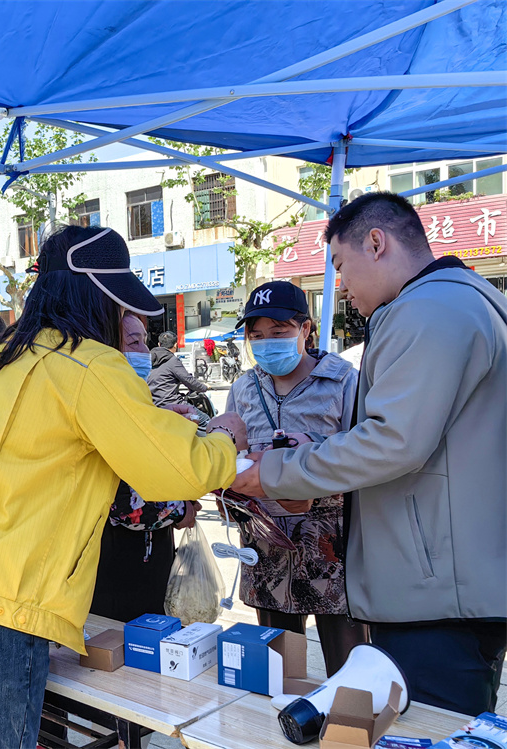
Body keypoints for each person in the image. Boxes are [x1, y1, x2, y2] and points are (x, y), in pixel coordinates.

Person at [0, 226, 246, 748]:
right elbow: (175, 469)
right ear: (101, 298)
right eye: (120, 307)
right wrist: (225, 437)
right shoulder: (90, 363)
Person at [233, 192, 507, 715]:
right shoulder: (472, 299)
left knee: (426, 723)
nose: (343, 287)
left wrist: (274, 470)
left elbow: (391, 441)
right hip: (458, 578)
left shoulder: (427, 310)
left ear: (376, 243)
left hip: (437, 594)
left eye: (341, 266)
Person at [225, 281, 368, 676]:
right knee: (278, 674)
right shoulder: (243, 389)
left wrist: (314, 455)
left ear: (306, 329)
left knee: (350, 673)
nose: (267, 343)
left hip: (332, 557)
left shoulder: (343, 382)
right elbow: (230, 460)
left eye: (279, 333)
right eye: (257, 336)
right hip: (266, 552)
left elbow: (367, 456)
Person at [91, 312, 200, 622]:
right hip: (117, 568)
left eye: (145, 341)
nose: (144, 352)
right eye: (133, 342)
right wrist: (179, 509)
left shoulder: (141, 404)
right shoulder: (104, 410)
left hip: (153, 557)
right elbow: (124, 504)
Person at [147, 330, 208, 407]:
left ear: (159, 344)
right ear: (175, 345)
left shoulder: (148, 360)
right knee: (204, 418)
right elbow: (188, 380)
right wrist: (204, 387)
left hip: (152, 404)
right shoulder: (172, 360)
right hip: (171, 403)